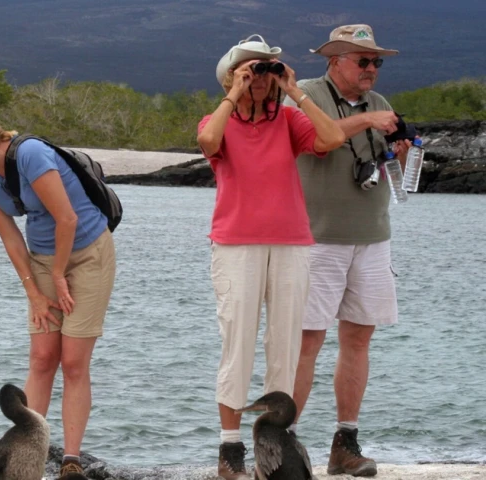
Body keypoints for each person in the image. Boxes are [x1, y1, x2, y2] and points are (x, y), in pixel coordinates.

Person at [0, 100, 116, 479]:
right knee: (43, 356)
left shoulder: (30, 154)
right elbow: (11, 239)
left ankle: (71, 460)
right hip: (43, 258)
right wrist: (33, 290)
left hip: (88, 252)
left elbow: (67, 218)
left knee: (74, 361)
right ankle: (28, 455)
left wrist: (61, 274)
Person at [197, 35, 345, 480]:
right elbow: (207, 141)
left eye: (265, 70)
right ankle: (230, 451)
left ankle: (277, 449)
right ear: (230, 75)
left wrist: (295, 90)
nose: (259, 78)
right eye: (248, 69)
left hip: (291, 243)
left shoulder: (289, 121)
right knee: (237, 343)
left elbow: (333, 137)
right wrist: (234, 94)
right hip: (236, 243)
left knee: (284, 344)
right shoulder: (217, 117)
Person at [283, 24, 410, 477]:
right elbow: (316, 140)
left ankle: (346, 444)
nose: (372, 69)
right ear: (335, 60)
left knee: (359, 338)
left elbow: (383, 167)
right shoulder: (302, 95)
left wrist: (398, 154)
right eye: (364, 61)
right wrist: (366, 122)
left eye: (376, 61)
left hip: (373, 236)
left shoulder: (381, 105)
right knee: (306, 342)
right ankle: (282, 447)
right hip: (316, 240)